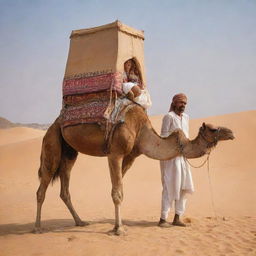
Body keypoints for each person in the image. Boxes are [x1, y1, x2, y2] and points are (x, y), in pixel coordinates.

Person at [158, 93, 194, 228]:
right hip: (171, 158)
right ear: (174, 103)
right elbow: (163, 136)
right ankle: (162, 219)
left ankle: (177, 217)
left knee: (184, 187)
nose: (183, 105)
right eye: (180, 103)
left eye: (185, 103)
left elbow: (187, 137)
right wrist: (175, 137)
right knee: (169, 186)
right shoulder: (169, 117)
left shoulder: (186, 118)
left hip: (183, 157)